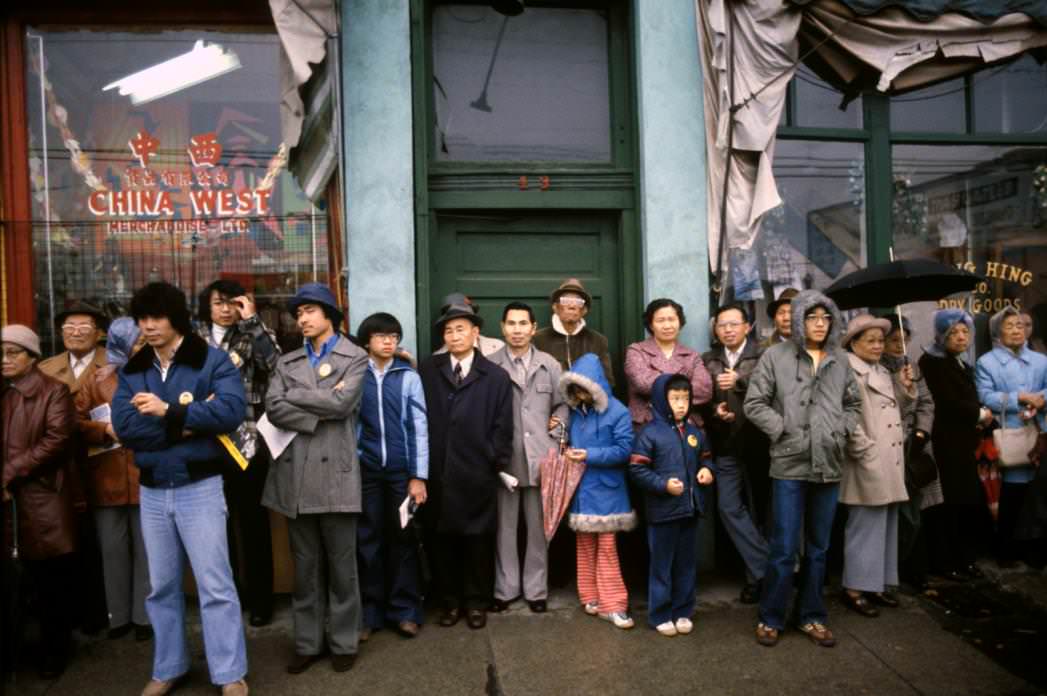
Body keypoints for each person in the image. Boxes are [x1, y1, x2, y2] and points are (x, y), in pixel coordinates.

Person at [111, 282, 248, 696]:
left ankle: (230, 674)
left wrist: (168, 410)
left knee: (215, 586)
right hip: (153, 490)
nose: (148, 326)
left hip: (201, 486)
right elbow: (126, 427)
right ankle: (168, 667)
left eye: (157, 318)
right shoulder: (135, 369)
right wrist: (187, 424)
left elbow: (229, 411)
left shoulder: (211, 359)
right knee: (163, 587)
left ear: (176, 318)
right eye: (142, 319)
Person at [744, 290, 861, 648]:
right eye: (812, 318)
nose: (820, 324)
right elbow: (754, 403)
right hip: (789, 462)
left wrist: (842, 429)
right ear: (798, 320)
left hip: (828, 462)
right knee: (783, 546)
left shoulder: (840, 359)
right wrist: (782, 429)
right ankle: (771, 616)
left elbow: (853, 403)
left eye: (826, 318)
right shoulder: (775, 356)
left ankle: (811, 616)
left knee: (819, 547)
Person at [262, 283, 368, 674]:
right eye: (299, 313)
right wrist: (318, 406)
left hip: (338, 476)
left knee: (343, 567)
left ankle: (343, 642)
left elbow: (344, 403)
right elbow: (273, 408)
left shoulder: (354, 356)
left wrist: (298, 397)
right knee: (304, 568)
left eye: (309, 311)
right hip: (296, 476)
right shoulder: (287, 361)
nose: (302, 319)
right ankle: (307, 643)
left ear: (329, 315)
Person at [418, 300, 514, 630]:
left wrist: (492, 458)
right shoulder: (429, 370)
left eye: (461, 329)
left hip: (477, 471)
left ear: (476, 333)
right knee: (441, 541)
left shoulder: (496, 376)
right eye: (448, 330)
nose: (455, 335)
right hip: (438, 471)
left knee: (477, 541)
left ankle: (476, 602)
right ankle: (450, 602)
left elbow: (504, 426)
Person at [196, 279, 280, 627]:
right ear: (207, 306)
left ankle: (262, 599)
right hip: (204, 440)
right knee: (217, 527)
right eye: (219, 303)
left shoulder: (255, 332)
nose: (226, 309)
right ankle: (230, 598)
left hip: (247, 440)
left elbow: (274, 365)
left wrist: (252, 321)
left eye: (233, 302)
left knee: (253, 523)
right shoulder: (193, 338)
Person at [2, 324, 78, 679]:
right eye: (0, 354)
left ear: (32, 358)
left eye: (12, 353)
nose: (4, 360)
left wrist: (10, 471)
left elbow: (56, 441)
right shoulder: (4, 392)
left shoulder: (54, 391)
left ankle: (55, 653)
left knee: (50, 582)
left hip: (42, 499)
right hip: (9, 500)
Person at [74, 318, 152, 642]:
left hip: (144, 472)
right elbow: (74, 420)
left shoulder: (154, 376)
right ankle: (117, 615)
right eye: (136, 343)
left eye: (143, 343)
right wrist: (103, 430)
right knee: (112, 548)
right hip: (106, 475)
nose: (141, 348)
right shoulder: (95, 381)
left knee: (148, 550)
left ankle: (144, 617)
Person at [488, 302, 566, 614]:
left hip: (541, 459)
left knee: (538, 529)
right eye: (511, 324)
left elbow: (564, 405)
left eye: (523, 324)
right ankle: (505, 589)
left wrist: (558, 431)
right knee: (504, 529)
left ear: (534, 328)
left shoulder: (550, 364)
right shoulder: (490, 365)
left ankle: (536, 591)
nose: (517, 330)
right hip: (505, 460)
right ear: (502, 327)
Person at [355, 312, 428, 640]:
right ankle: (370, 613)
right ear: (367, 340)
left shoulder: (407, 376)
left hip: (401, 473)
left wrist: (418, 476)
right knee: (367, 540)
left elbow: (419, 428)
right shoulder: (356, 375)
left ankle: (406, 611)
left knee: (404, 539)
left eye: (393, 336)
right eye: (381, 336)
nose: (388, 341)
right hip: (367, 471)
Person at [38, 300, 110, 635]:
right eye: (69, 327)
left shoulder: (113, 364)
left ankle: (102, 611)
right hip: (61, 464)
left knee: (101, 539)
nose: (76, 332)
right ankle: (73, 611)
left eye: (84, 326)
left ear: (99, 333)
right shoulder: (45, 367)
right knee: (69, 537)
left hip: (104, 459)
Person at [838, 315, 914, 618]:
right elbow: (846, 418)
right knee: (863, 526)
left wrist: (906, 388)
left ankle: (878, 584)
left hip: (890, 457)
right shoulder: (846, 371)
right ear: (853, 343)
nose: (877, 345)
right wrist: (865, 451)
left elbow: (899, 410)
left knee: (886, 524)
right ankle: (854, 588)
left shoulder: (883, 370)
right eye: (870, 340)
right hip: (867, 459)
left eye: (880, 340)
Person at [629, 373, 715, 636]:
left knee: (686, 565)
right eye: (675, 399)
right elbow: (637, 470)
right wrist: (663, 485)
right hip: (662, 512)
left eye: (686, 399)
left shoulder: (694, 433)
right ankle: (660, 614)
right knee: (661, 565)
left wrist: (707, 471)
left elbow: (707, 460)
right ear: (660, 400)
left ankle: (683, 611)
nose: (681, 404)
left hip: (689, 510)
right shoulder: (649, 433)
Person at [559, 352, 636, 630]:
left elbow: (625, 450)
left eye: (583, 389)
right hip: (583, 490)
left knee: (606, 548)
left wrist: (587, 455)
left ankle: (614, 605)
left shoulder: (617, 411)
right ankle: (590, 596)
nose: (579, 395)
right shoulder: (577, 413)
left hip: (607, 491)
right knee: (585, 545)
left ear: (596, 385)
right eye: (575, 390)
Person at [700, 303, 769, 604]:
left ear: (747, 326)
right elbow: (700, 398)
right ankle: (768, 568)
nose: (728, 329)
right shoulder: (707, 359)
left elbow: (774, 391)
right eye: (722, 325)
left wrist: (740, 382)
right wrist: (715, 410)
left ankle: (756, 579)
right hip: (725, 443)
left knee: (761, 513)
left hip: (759, 443)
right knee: (729, 508)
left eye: (733, 324)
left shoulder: (764, 355)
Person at [918, 309, 992, 580]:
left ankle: (964, 558)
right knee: (948, 504)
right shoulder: (932, 363)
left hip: (962, 444)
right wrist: (980, 414)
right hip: (945, 445)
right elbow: (947, 403)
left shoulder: (960, 362)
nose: (961, 337)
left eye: (965, 331)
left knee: (965, 503)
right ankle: (946, 561)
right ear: (941, 335)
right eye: (954, 332)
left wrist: (979, 415)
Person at [976, 306, 1047, 568]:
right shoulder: (987, 362)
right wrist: (1019, 398)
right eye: (1010, 326)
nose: (1017, 330)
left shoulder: (1041, 360)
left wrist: (1042, 399)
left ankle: (1036, 549)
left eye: (1020, 325)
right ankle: (1007, 549)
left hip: (1041, 432)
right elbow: (984, 396)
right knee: (1012, 496)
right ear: (997, 332)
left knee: (1039, 495)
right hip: (1010, 433)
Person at [882, 315, 941, 592]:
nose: (899, 345)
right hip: (892, 446)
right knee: (899, 514)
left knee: (916, 510)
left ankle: (912, 567)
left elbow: (926, 402)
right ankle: (896, 567)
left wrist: (921, 432)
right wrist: (901, 384)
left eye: (904, 339)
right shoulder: (878, 368)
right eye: (894, 340)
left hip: (915, 446)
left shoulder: (913, 365)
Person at [624, 298, 712, 430]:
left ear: (680, 322)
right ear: (651, 324)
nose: (667, 326)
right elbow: (642, 383)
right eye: (660, 320)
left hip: (687, 424)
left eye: (672, 319)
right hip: (647, 423)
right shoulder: (636, 350)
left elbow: (704, 390)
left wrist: (660, 386)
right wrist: (683, 388)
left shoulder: (691, 355)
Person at [534, 278, 614, 386]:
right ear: (555, 307)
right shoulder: (538, 339)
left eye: (578, 302)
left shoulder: (598, 341)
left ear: (584, 310)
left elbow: (607, 382)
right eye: (565, 300)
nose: (572, 306)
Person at [433, 292, 505, 356]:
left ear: (475, 330)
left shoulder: (496, 347)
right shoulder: (438, 357)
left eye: (460, 329)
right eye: (449, 331)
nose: (455, 337)